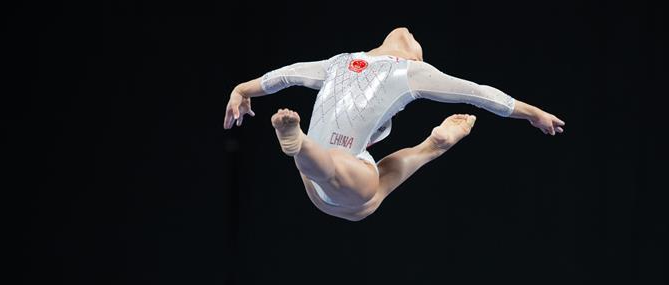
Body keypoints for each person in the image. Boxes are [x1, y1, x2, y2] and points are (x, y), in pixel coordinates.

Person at [223, 27, 564, 221]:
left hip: (329, 175)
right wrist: (533, 112)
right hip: (346, 180)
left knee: (337, 169)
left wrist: (241, 90)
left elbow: (283, 76)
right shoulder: (412, 72)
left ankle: (298, 140)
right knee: (362, 181)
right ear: (415, 56)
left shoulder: (340, 62)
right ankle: (432, 147)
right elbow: (479, 94)